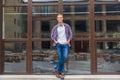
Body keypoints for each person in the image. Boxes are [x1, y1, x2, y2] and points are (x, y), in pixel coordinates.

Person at [51, 13, 72, 79]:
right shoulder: (55, 27)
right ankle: (62, 73)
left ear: (62, 18)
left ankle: (57, 70)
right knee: (60, 57)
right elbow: (52, 35)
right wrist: (55, 41)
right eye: (58, 17)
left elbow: (70, 34)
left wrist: (68, 41)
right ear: (57, 19)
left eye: (61, 17)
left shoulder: (67, 26)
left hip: (65, 44)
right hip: (59, 44)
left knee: (64, 57)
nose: (60, 18)